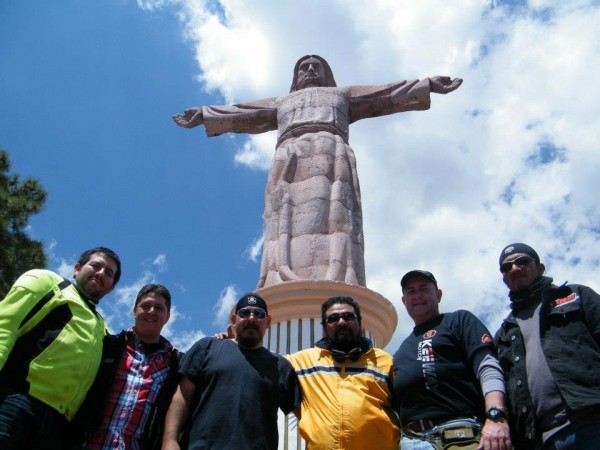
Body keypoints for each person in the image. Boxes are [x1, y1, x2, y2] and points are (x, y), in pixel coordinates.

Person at [173, 55, 462, 289]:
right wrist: (204, 115)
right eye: (303, 67)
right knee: (281, 217)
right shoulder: (281, 102)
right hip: (289, 156)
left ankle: (340, 276)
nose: (310, 70)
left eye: (317, 66)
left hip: (332, 152)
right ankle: (278, 277)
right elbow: (240, 112)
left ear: (327, 74)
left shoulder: (342, 94)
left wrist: (427, 85)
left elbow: (386, 94)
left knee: (338, 216)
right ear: (295, 77)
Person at [0, 246, 121, 450]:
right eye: (96, 266)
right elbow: (5, 325)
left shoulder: (105, 332)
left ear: (111, 288)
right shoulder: (48, 283)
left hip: (58, 429)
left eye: (109, 273)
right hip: (15, 401)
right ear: (77, 268)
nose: (101, 273)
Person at [161, 293, 301, 450]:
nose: (252, 318)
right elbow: (183, 395)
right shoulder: (207, 347)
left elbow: (306, 414)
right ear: (234, 320)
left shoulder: (280, 366)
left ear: (268, 322)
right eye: (245, 313)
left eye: (259, 314)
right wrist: (170, 440)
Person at [496, 243, 600, 449]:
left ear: (540, 267)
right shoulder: (505, 332)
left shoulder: (576, 295)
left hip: (592, 420)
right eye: (506, 267)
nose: (514, 269)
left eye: (522, 261)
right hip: (544, 440)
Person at [394, 270, 511, 450]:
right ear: (404, 301)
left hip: (461, 434)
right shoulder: (400, 352)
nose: (417, 295)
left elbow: (487, 366)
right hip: (412, 440)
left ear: (438, 295)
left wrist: (496, 416)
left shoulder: (458, 321)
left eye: (424, 289)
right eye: (411, 291)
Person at [70, 283, 181, 450]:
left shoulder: (175, 363)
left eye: (158, 308)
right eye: (145, 306)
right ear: (134, 310)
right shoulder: (109, 345)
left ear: (167, 317)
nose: (151, 311)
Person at [286, 296, 400, 449]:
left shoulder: (385, 362)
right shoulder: (301, 362)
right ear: (324, 327)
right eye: (333, 319)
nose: (341, 322)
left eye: (348, 316)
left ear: (359, 321)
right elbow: (267, 366)